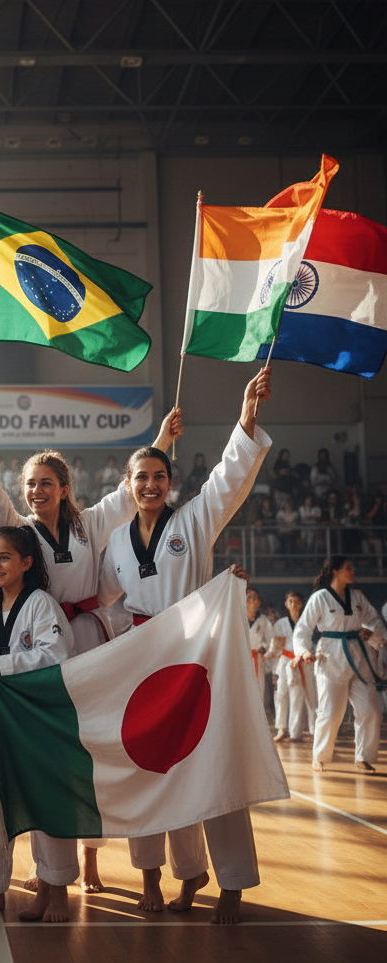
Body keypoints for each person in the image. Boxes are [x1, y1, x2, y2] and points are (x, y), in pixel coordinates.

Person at [0, 402, 181, 894]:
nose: (37, 491)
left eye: (45, 483)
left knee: (93, 747)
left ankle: (104, 861)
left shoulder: (92, 524)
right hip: (36, 645)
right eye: (30, 484)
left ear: (64, 488)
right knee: (48, 755)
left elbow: (132, 491)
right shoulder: (20, 530)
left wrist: (162, 437)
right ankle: (55, 868)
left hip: (88, 643)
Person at [97, 367, 273, 925]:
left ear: (170, 483)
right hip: (143, 665)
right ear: (127, 484)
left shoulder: (195, 520)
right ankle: (171, 872)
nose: (149, 485)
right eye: (140, 478)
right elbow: (103, 601)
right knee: (149, 769)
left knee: (211, 768)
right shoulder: (115, 543)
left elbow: (229, 477)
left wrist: (245, 418)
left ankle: (233, 882)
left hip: (196, 660)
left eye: (158, 477)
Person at [0, 525, 74, 920]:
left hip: (39, 720)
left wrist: (2, 664)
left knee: (46, 804)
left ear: (26, 563)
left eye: (4, 557)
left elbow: (56, 653)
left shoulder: (41, 604)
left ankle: (54, 890)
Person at [293, 557, 387, 773]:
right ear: (334, 571)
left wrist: (373, 636)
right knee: (331, 711)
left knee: (371, 709)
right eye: (348, 567)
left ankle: (363, 757)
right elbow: (303, 629)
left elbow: (375, 622)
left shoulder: (357, 596)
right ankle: (320, 757)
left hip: (359, 656)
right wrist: (304, 650)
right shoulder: (320, 598)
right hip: (331, 656)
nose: (353, 570)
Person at [269, 591, 315, 743]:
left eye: (296, 601)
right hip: (285, 661)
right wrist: (269, 656)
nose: (294, 605)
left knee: (304, 695)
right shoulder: (281, 624)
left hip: (303, 661)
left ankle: (300, 731)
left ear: (301, 604)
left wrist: (301, 655)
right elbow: (276, 647)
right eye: (290, 601)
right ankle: (282, 729)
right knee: (281, 695)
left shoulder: (307, 622)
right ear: (286, 604)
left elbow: (312, 644)